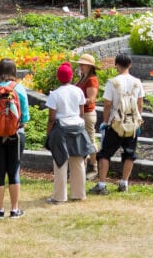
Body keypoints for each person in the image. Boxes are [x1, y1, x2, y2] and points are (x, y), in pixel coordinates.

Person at [90, 53, 144, 195]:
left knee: (105, 154)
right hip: (132, 123)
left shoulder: (112, 82)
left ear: (117, 65)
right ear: (130, 65)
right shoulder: (137, 82)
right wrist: (138, 120)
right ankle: (124, 182)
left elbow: (107, 104)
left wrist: (106, 122)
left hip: (115, 122)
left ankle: (102, 184)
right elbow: (140, 103)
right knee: (129, 153)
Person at [0, 58, 30, 219]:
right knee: (14, 171)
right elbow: (26, 116)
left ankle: (0, 209)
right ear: (14, 72)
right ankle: (15, 209)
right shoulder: (19, 89)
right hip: (16, 135)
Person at [46, 62, 95, 203]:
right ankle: (79, 194)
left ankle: (60, 196)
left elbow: (51, 118)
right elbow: (81, 112)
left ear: (58, 77)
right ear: (71, 76)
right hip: (77, 127)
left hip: (61, 129)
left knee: (60, 162)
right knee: (78, 161)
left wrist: (48, 134)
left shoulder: (54, 94)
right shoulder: (78, 91)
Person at [72, 53, 100, 177]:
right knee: (83, 140)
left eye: (84, 64)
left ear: (90, 66)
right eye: (80, 64)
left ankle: (93, 167)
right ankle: (84, 167)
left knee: (90, 140)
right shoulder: (83, 77)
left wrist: (75, 100)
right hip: (81, 113)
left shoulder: (91, 79)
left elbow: (91, 99)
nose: (81, 66)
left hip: (87, 113)